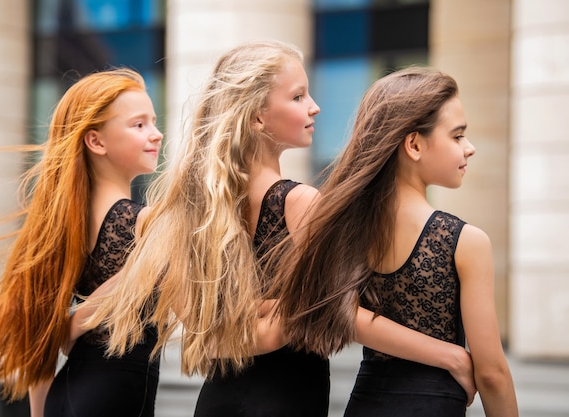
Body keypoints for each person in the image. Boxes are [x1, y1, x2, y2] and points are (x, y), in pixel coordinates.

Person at [83, 41, 475, 417]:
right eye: (298, 97)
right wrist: (449, 354)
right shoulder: (300, 202)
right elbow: (342, 315)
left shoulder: (192, 212)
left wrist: (265, 314)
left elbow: (210, 334)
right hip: (285, 401)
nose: (316, 107)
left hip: (217, 401)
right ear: (257, 116)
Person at [274, 66, 518, 417]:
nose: (470, 148)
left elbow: (341, 314)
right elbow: (492, 374)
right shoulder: (466, 241)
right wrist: (454, 357)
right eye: (458, 136)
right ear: (415, 145)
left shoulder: (347, 232)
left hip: (365, 403)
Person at [0, 68, 164, 417]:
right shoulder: (145, 222)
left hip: (65, 397)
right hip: (113, 399)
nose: (157, 134)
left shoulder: (63, 226)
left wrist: (72, 326)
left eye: (153, 122)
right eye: (139, 125)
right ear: (96, 141)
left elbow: (43, 340)